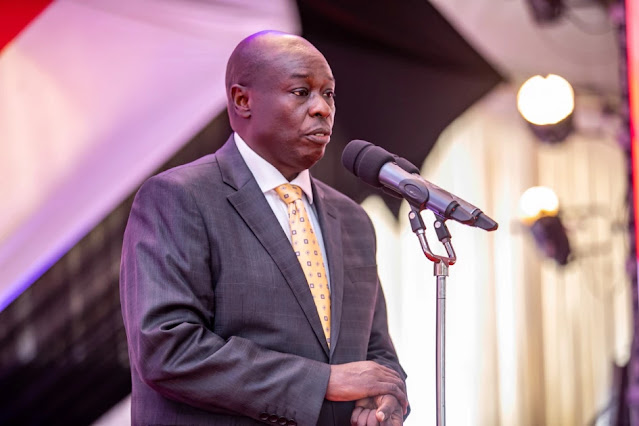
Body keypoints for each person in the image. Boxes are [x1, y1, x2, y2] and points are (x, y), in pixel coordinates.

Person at [120, 30, 408, 426]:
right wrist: (322, 382)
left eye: (328, 94)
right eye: (301, 92)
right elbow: (167, 347)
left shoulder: (352, 219)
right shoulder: (179, 198)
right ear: (243, 101)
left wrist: (386, 399)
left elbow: (376, 350)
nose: (322, 108)